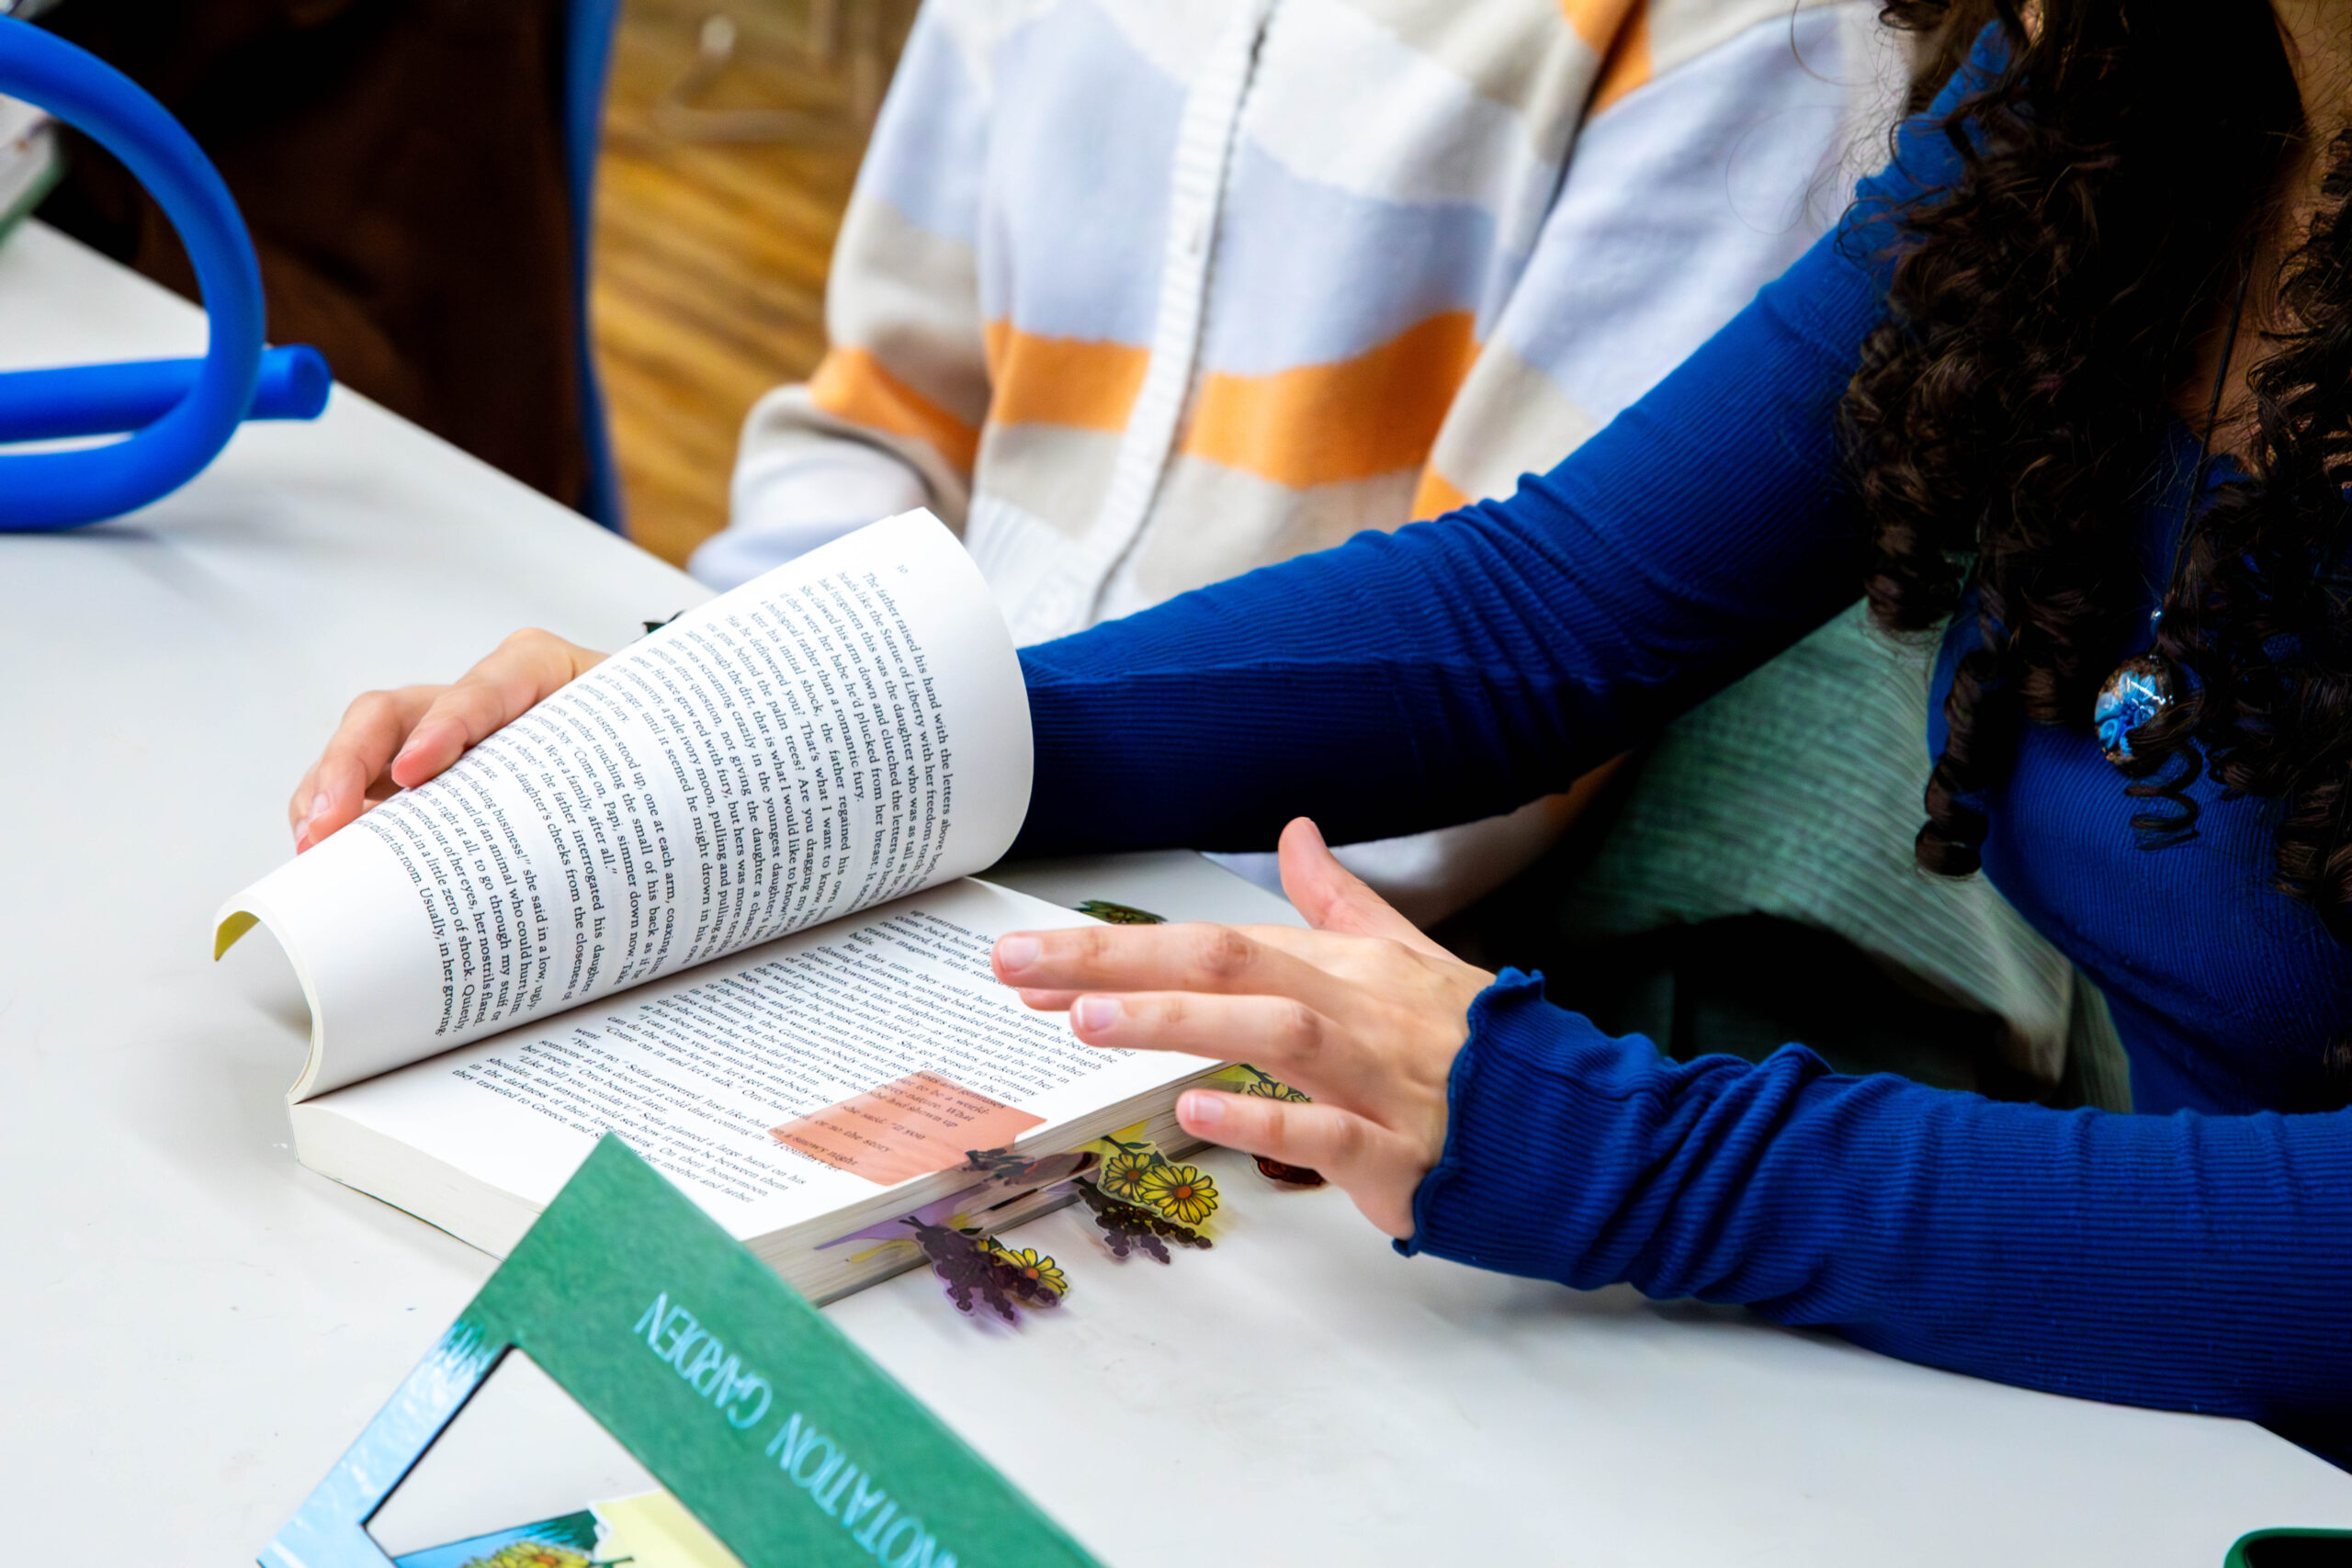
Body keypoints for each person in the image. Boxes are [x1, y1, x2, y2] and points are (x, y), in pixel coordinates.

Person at [288, 0, 2352, 1457]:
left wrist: (1630, 1153)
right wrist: (814, 749)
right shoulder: (2125, 102)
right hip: (2155, 1413)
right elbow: (1539, 609)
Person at [687, 0, 2106, 1090]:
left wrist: (902, 788)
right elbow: (876, 408)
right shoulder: (2081, 75)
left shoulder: (1770, 36)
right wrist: (732, 725)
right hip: (964, 841)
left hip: (1262, 930)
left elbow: (1524, 639)